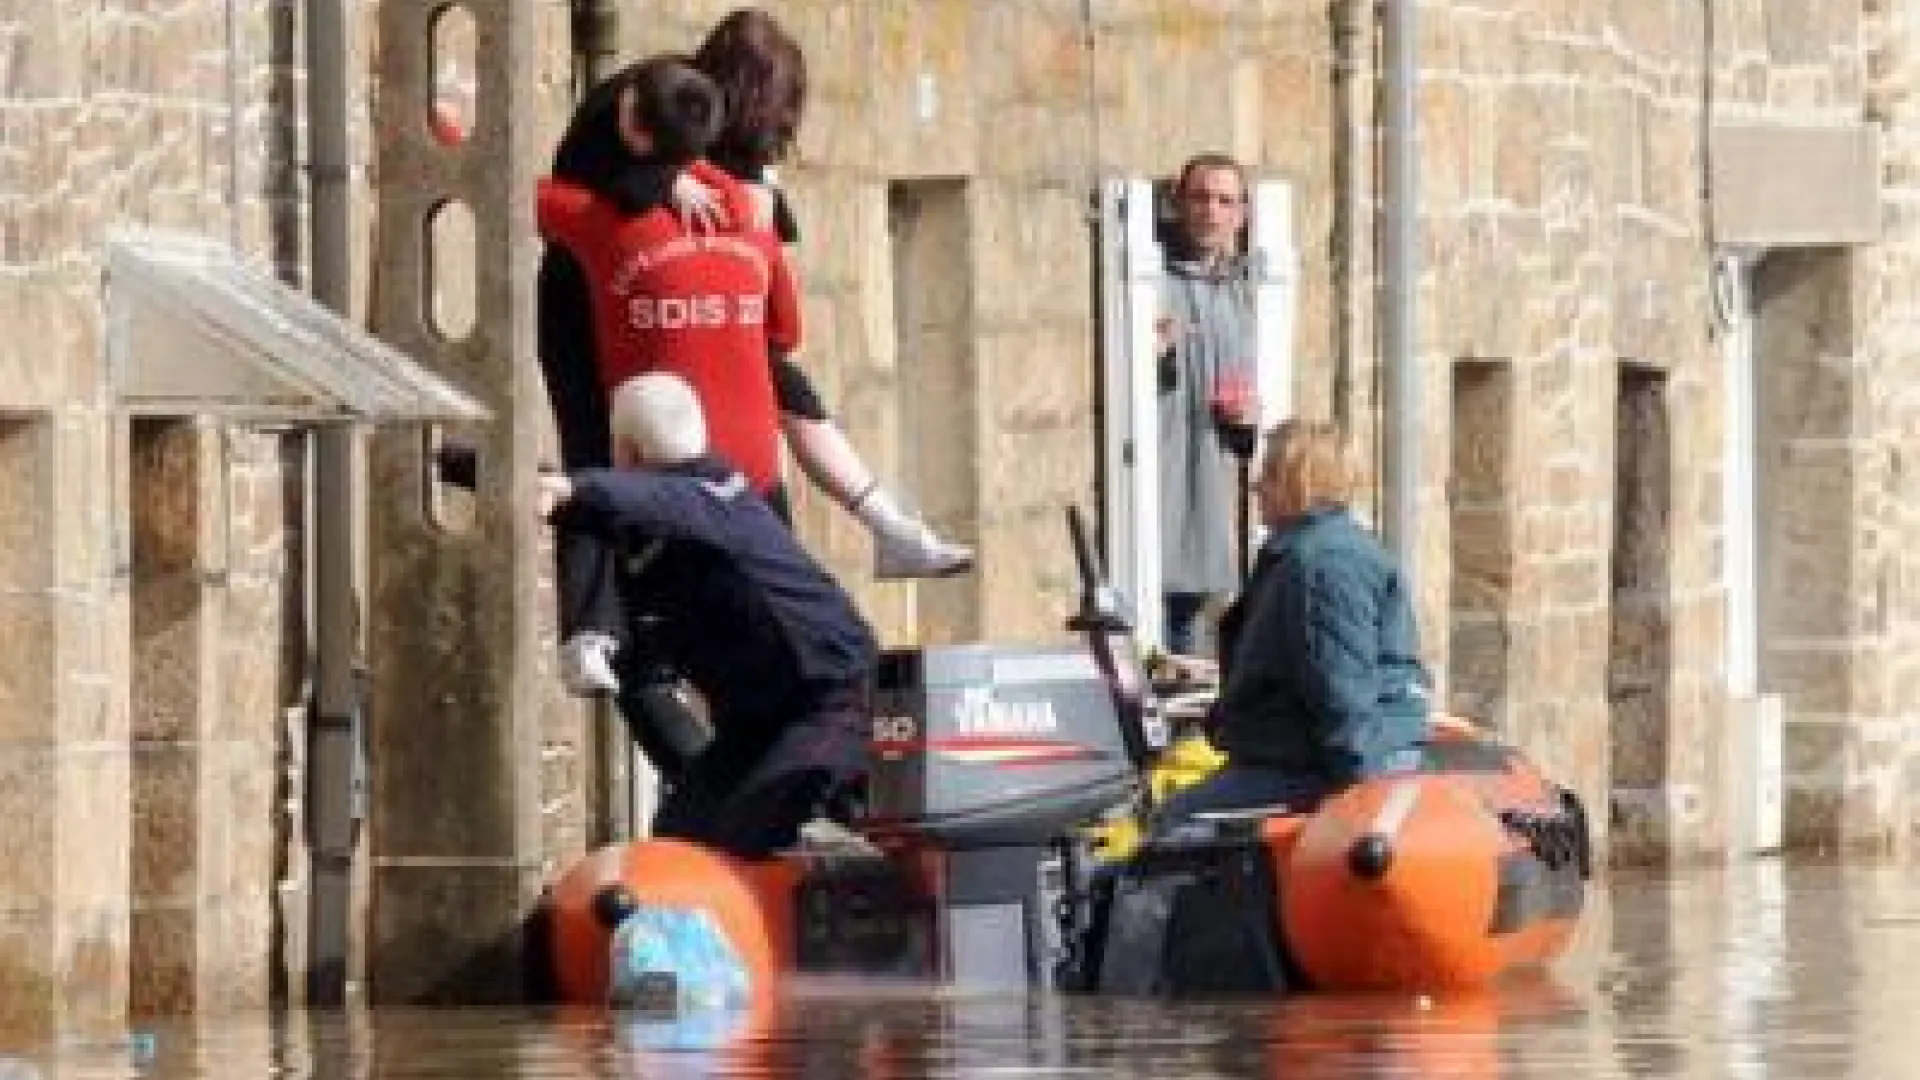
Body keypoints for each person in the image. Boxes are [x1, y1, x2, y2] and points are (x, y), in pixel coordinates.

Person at [539, 11, 972, 584]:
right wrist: (673, 185)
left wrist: (757, 212)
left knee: (779, 407)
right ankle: (599, 628)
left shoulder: (723, 147)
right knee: (598, 458)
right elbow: (573, 186)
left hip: (697, 322)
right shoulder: (653, 105)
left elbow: (770, 275)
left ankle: (884, 524)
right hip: (601, 310)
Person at [536, 54, 794, 698]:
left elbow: (760, 219)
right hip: (582, 295)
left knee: (733, 454)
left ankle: (774, 601)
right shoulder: (613, 110)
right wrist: (662, 181)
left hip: (651, 313)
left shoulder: (684, 113)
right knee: (592, 459)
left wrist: (719, 184)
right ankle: (591, 629)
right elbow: (560, 188)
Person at [540, 372, 877, 858]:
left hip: (831, 701)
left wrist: (574, 489)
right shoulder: (688, 502)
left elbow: (647, 499)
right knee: (680, 841)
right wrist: (464, 467)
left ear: (629, 452)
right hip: (756, 722)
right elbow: (610, 504)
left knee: (750, 831)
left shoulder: (711, 495)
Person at [1154, 420, 1430, 824]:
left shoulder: (1325, 565)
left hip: (1330, 767)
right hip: (1303, 756)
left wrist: (1360, 811)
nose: (1256, 488)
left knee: (1166, 831)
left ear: (1297, 481)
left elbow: (1342, 690)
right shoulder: (1309, 552)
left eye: (1268, 475)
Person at [1156, 152, 1261, 656]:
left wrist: (1245, 415)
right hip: (1158, 502)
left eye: (1225, 201)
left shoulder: (1241, 290)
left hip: (1218, 498)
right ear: (1179, 203)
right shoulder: (1150, 279)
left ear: (1241, 213)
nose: (1211, 212)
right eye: (1200, 197)